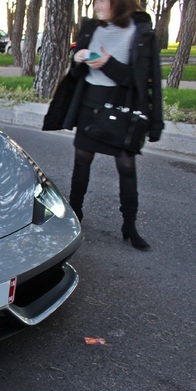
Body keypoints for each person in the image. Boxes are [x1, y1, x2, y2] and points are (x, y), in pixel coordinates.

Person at [43, 0, 163, 251]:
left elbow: (140, 80)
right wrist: (77, 60)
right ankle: (75, 214)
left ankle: (129, 226)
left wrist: (106, 63)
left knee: (127, 166)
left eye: (102, 1)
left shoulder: (141, 33)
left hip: (122, 107)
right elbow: (77, 73)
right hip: (90, 104)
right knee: (81, 160)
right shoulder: (90, 28)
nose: (96, 4)